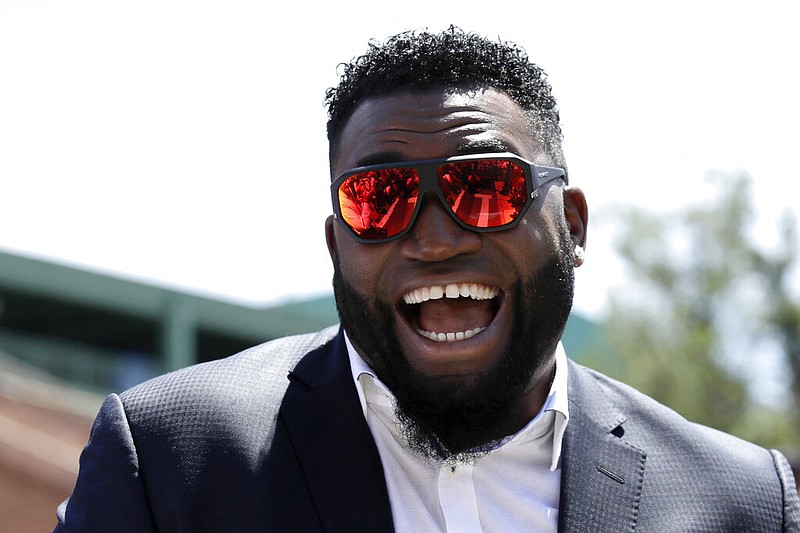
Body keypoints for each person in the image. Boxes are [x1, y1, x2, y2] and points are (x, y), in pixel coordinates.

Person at [55, 27, 799, 532]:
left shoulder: (742, 501)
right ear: (335, 243)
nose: (436, 238)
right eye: (379, 200)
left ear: (572, 225)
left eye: (487, 186)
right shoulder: (168, 464)